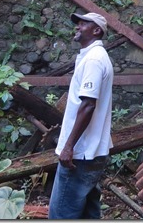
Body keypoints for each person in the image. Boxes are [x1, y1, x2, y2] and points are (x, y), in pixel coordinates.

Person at [49, 12, 114, 219]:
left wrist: (68, 147)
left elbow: (88, 106)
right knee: (88, 213)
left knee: (62, 215)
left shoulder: (94, 60)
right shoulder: (93, 57)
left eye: (83, 23)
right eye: (78, 23)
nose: (77, 26)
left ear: (96, 31)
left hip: (80, 154)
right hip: (92, 152)